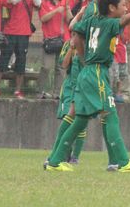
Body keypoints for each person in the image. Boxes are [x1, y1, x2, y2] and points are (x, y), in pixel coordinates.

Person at [46, 0, 130, 172]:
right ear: (111, 7)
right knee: (110, 115)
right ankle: (124, 163)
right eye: (123, 5)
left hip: (87, 72)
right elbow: (122, 21)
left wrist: (82, 55)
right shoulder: (110, 23)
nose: (126, 8)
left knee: (79, 120)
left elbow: (74, 30)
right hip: (97, 73)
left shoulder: (92, 20)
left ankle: (54, 162)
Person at [0, 0, 42, 99]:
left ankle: (18, 90)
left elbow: (38, 3)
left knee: (21, 62)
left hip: (24, 34)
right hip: (9, 32)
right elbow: (14, 0)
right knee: (3, 60)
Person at [45, 33, 86, 167]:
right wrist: (70, 48)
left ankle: (75, 157)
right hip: (69, 87)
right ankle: (63, 153)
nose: (75, 36)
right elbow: (63, 65)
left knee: (80, 121)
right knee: (66, 119)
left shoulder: (88, 45)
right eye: (73, 33)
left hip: (83, 86)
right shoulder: (68, 44)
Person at [39, 0, 72, 99]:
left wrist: (67, 8)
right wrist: (56, 11)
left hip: (64, 40)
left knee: (61, 68)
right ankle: (41, 91)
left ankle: (58, 93)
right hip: (50, 40)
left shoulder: (65, 4)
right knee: (46, 67)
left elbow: (70, 20)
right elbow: (43, 18)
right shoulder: (44, 3)